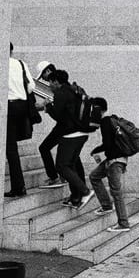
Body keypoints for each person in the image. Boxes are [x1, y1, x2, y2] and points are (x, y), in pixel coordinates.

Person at [47, 69, 95, 208]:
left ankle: (85, 191)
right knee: (71, 165)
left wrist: (48, 106)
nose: (49, 85)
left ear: (56, 81)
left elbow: (58, 116)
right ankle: (75, 197)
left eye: (50, 82)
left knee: (61, 166)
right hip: (82, 133)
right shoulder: (74, 90)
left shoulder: (61, 93)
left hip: (70, 135)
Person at [88, 98, 132, 232]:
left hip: (115, 161)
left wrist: (96, 150)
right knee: (94, 176)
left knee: (116, 192)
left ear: (98, 109)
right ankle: (106, 205)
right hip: (115, 159)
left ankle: (123, 223)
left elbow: (107, 144)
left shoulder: (106, 122)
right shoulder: (112, 119)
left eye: (93, 109)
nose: (91, 112)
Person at [4, 43, 37, 198]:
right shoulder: (21, 63)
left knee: (10, 148)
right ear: (11, 51)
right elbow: (31, 86)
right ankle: (19, 186)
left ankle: (18, 187)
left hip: (9, 106)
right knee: (12, 147)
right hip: (22, 106)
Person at [35, 61, 65, 189]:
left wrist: (46, 107)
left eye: (43, 76)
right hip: (67, 125)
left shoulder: (57, 86)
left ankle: (54, 177)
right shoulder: (63, 83)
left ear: (47, 71)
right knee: (70, 154)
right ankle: (63, 177)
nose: (44, 80)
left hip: (64, 125)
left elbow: (58, 111)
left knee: (44, 148)